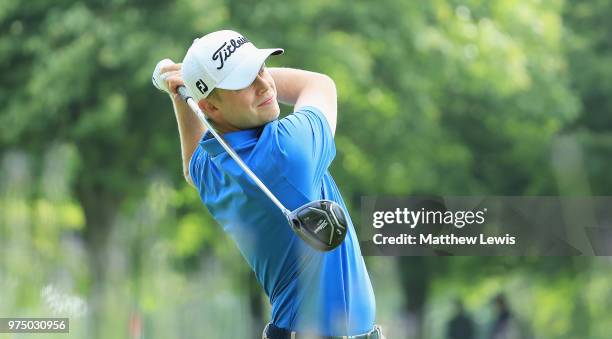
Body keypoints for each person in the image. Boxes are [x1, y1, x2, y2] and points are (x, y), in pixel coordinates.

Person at [153, 30, 384, 338]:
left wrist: (185, 91)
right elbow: (319, 84)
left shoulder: (214, 169)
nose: (264, 84)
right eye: (244, 81)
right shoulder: (287, 151)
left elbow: (191, 163)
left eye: (259, 68)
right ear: (210, 108)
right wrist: (190, 84)